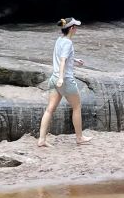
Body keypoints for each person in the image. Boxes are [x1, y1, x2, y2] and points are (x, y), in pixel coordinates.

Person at [37, 17, 91, 147]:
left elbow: (63, 56)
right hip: (65, 80)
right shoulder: (68, 43)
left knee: (49, 110)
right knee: (77, 107)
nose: (76, 29)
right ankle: (79, 137)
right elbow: (62, 60)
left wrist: (74, 59)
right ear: (71, 29)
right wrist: (62, 78)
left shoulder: (59, 39)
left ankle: (42, 139)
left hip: (54, 79)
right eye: (75, 27)